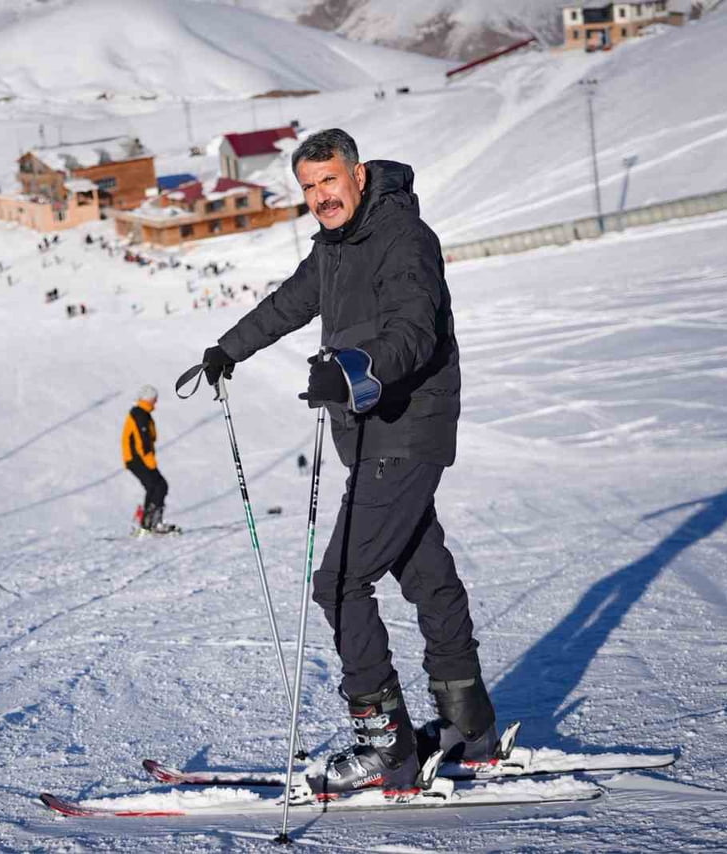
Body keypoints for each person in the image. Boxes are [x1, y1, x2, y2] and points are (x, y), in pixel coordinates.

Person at [197, 128, 495, 798]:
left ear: (358, 175)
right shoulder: (334, 247)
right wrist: (228, 349)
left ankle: (384, 745)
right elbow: (291, 303)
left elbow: (414, 334)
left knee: (337, 584)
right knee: (425, 571)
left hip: (405, 429)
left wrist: (353, 372)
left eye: (328, 181)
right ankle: (467, 727)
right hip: (370, 435)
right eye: (307, 187)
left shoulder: (403, 239)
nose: (319, 198)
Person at [121, 385, 173, 534]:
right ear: (149, 399)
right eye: (154, 400)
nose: (156, 403)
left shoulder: (142, 413)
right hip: (137, 459)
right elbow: (142, 442)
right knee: (159, 486)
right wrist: (150, 463)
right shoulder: (140, 414)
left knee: (154, 487)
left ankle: (147, 522)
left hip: (137, 458)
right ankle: (152, 522)